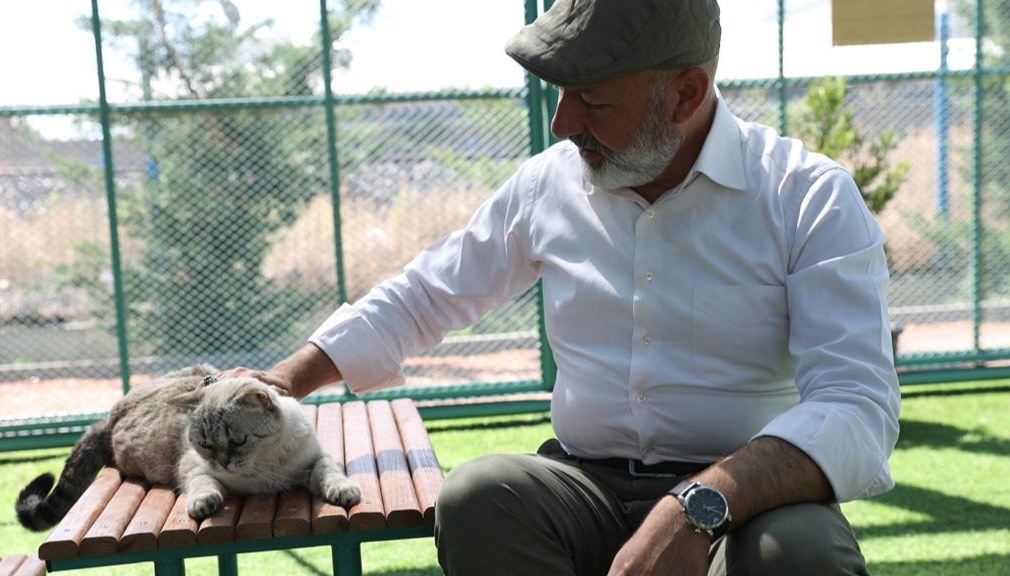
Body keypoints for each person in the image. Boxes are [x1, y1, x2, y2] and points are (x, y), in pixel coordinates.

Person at [221, 0, 901, 574]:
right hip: (583, 487)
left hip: (748, 500)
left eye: (593, 99)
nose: (562, 122)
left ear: (687, 94)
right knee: (480, 495)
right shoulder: (549, 182)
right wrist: (280, 385)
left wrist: (694, 508)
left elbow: (857, 407)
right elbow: (430, 292)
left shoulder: (805, 196)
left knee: (798, 551)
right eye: (561, 93)